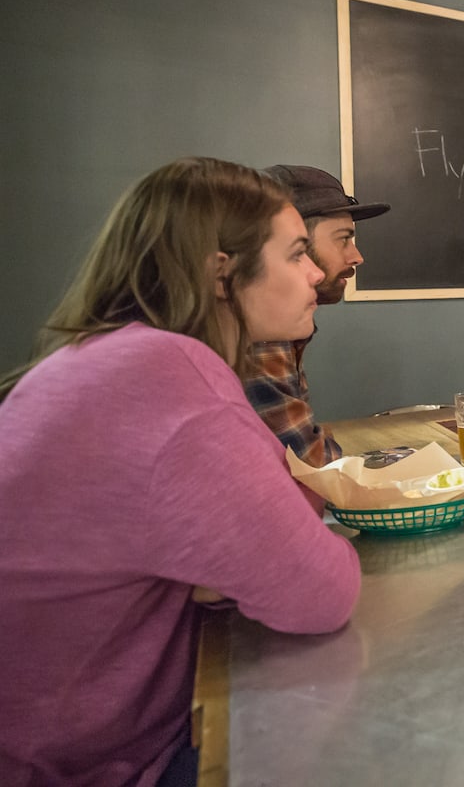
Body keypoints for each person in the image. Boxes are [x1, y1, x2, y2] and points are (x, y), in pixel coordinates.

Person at [0, 158, 361, 786]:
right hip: (86, 767)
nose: (315, 272)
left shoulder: (107, 355)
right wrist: (219, 569)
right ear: (222, 275)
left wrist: (215, 568)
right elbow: (321, 591)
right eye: (297, 253)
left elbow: (294, 501)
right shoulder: (170, 379)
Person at [244, 164, 389, 467]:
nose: (357, 257)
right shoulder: (259, 334)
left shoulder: (283, 327)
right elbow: (309, 466)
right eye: (343, 238)